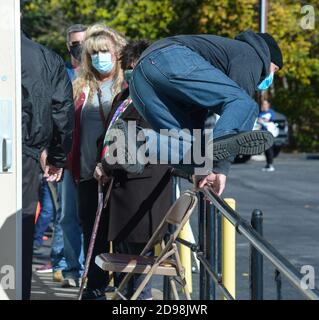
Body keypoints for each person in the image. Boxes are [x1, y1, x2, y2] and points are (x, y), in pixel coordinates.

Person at [121, 30, 283, 195]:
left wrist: (202, 170)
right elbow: (238, 107)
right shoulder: (250, 54)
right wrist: (221, 168)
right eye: (275, 69)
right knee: (246, 105)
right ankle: (215, 149)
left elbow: (197, 121)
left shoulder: (211, 69)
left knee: (193, 150)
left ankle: (137, 141)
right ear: (268, 57)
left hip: (139, 82)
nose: (271, 76)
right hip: (167, 59)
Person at [96, 39, 172, 300]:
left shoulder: (159, 101)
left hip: (142, 196)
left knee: (138, 272)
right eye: (128, 67)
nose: (132, 71)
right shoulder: (124, 97)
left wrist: (105, 166)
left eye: (137, 66)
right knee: (124, 271)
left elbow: (136, 146)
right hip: (120, 195)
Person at [70, 24, 126, 299]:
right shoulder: (81, 87)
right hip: (86, 175)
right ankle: (94, 291)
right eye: (93, 53)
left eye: (104, 51)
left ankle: (128, 291)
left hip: (118, 176)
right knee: (93, 235)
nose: (99, 58)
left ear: (116, 53)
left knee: (123, 235)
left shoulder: (126, 85)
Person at [21, 33, 74, 300]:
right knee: (21, 228)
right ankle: (18, 290)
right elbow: (62, 109)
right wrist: (56, 156)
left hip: (25, 149)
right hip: (26, 155)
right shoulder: (45, 58)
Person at [257, 99, 277, 172]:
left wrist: (264, 120)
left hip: (270, 133)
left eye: (265, 104)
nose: (264, 105)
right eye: (263, 104)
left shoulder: (271, 112)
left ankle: (271, 164)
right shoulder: (261, 113)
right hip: (263, 133)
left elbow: (272, 120)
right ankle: (268, 164)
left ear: (268, 105)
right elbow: (258, 121)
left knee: (269, 149)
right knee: (266, 149)